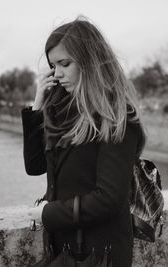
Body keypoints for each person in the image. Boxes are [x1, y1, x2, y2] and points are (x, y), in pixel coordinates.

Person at [21, 17, 145, 267]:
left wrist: (47, 213)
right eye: (53, 66)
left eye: (65, 64)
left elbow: (109, 199)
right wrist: (37, 105)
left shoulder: (117, 116)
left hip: (101, 254)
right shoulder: (63, 111)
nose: (57, 74)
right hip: (64, 249)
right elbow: (35, 166)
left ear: (90, 61)